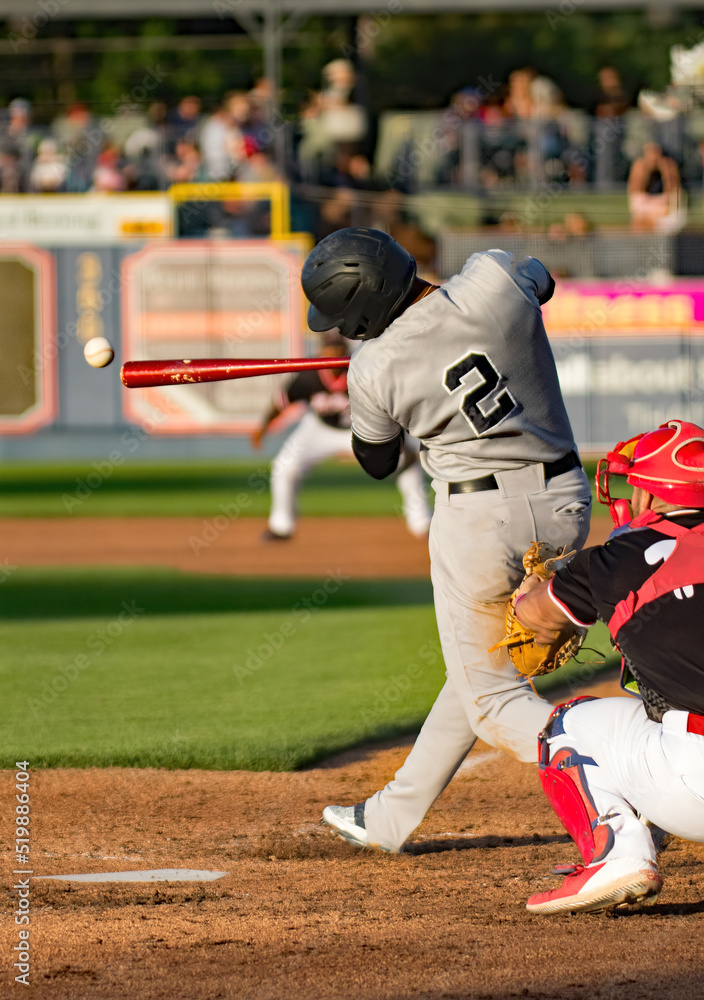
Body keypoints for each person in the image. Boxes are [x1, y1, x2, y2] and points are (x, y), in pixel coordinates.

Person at [301, 227, 592, 853]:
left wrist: (368, 384)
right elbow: (539, 276)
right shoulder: (490, 280)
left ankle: (629, 768)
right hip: (565, 502)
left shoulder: (374, 369)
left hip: (481, 523)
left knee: (490, 698)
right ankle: (390, 817)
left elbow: (377, 462)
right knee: (478, 671)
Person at [513, 419, 704, 914]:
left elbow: (532, 619)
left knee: (567, 725)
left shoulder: (616, 559)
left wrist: (531, 590)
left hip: (693, 786)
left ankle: (617, 857)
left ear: (648, 494)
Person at [252, 332, 432, 542]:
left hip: (362, 429)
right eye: (328, 349)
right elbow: (281, 401)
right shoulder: (310, 375)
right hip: (319, 429)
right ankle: (281, 526)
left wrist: (403, 439)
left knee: (407, 466)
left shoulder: (363, 371)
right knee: (284, 466)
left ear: (345, 351)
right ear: (321, 352)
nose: (332, 353)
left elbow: (391, 404)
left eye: (337, 349)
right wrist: (263, 428)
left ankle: (422, 523)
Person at [628, 142, 683, 232]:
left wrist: (666, 170)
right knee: (639, 222)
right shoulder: (640, 166)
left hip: (663, 210)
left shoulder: (668, 166)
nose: (653, 157)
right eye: (650, 153)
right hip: (648, 208)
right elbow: (636, 198)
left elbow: (673, 196)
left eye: (656, 153)